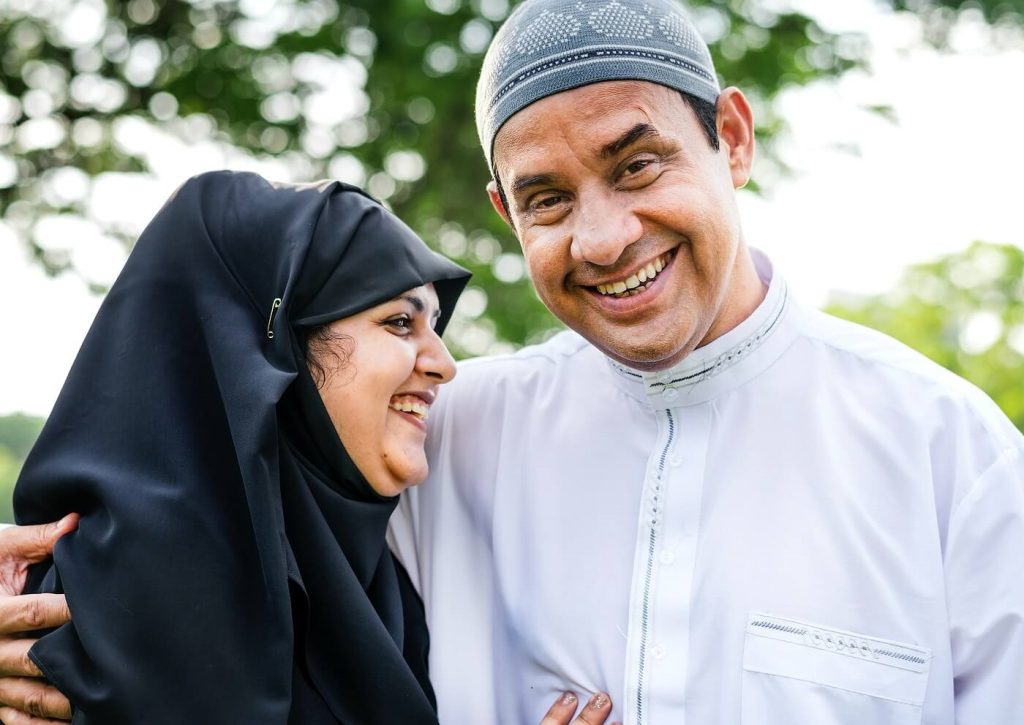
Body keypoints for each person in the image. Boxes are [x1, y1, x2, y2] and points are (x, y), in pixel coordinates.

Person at [3, 0, 1023, 722]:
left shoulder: (948, 454)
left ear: (732, 136)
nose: (604, 237)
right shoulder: (450, 440)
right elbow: (229, 530)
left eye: (638, 164)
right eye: (547, 199)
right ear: (504, 211)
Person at [0, 170, 614, 725]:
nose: (445, 364)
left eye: (436, 325)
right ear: (275, 351)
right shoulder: (79, 611)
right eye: (400, 322)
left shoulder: (385, 591)